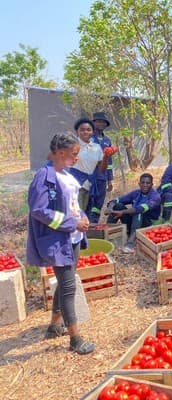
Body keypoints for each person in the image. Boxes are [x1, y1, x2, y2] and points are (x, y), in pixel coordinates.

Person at [26, 132, 96, 355]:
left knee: (66, 281)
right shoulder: (44, 176)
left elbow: (72, 204)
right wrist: (71, 223)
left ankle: (54, 326)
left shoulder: (65, 174)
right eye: (74, 154)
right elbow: (39, 210)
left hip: (72, 237)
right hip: (58, 239)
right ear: (61, 153)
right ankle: (75, 339)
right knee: (68, 286)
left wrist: (82, 218)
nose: (77, 158)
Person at [105, 173, 161, 253]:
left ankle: (130, 244)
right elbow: (116, 200)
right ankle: (107, 233)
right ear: (139, 184)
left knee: (138, 212)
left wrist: (122, 212)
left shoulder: (155, 196)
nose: (145, 185)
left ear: (152, 184)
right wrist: (110, 208)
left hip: (147, 224)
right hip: (134, 221)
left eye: (148, 183)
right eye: (143, 182)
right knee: (118, 206)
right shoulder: (136, 193)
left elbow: (140, 208)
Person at [68, 118, 109, 218]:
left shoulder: (96, 147)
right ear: (77, 132)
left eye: (88, 129)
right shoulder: (72, 146)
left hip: (90, 186)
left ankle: (85, 234)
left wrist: (106, 156)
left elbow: (101, 170)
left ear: (92, 131)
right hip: (76, 186)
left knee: (87, 215)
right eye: (82, 130)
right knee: (76, 216)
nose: (85, 132)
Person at [88, 112, 114, 223]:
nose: (100, 124)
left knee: (98, 203)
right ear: (93, 123)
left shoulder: (107, 141)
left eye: (103, 122)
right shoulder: (88, 138)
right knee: (88, 202)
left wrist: (110, 180)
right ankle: (85, 227)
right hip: (89, 177)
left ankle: (94, 224)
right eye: (98, 121)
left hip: (102, 178)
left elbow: (109, 161)